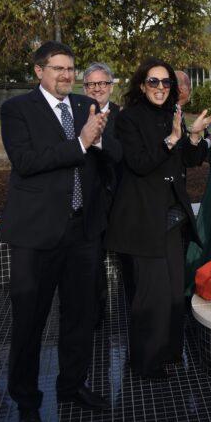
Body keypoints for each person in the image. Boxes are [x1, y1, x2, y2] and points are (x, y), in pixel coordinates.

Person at [0, 41, 117, 422]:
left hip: (83, 232)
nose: (66, 75)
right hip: (36, 236)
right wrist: (81, 142)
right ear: (38, 71)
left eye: (70, 68)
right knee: (29, 323)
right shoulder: (17, 109)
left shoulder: (85, 106)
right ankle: (26, 402)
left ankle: (72, 385)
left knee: (80, 317)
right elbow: (26, 162)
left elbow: (108, 158)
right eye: (58, 68)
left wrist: (99, 140)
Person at [105, 58, 211, 380]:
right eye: (154, 81)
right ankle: (145, 362)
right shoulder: (129, 119)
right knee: (151, 295)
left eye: (166, 82)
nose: (161, 87)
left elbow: (190, 160)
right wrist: (171, 140)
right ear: (142, 85)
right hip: (143, 220)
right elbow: (139, 163)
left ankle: (169, 352)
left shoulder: (173, 114)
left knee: (172, 293)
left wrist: (194, 136)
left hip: (172, 217)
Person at [82, 62, 123, 327]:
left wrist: (98, 139)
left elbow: (121, 154)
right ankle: (95, 318)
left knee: (126, 259)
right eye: (92, 84)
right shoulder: (76, 113)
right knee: (92, 263)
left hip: (120, 199)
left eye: (103, 83)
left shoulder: (123, 116)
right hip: (88, 201)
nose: (97, 89)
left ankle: (132, 311)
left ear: (111, 86)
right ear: (84, 87)